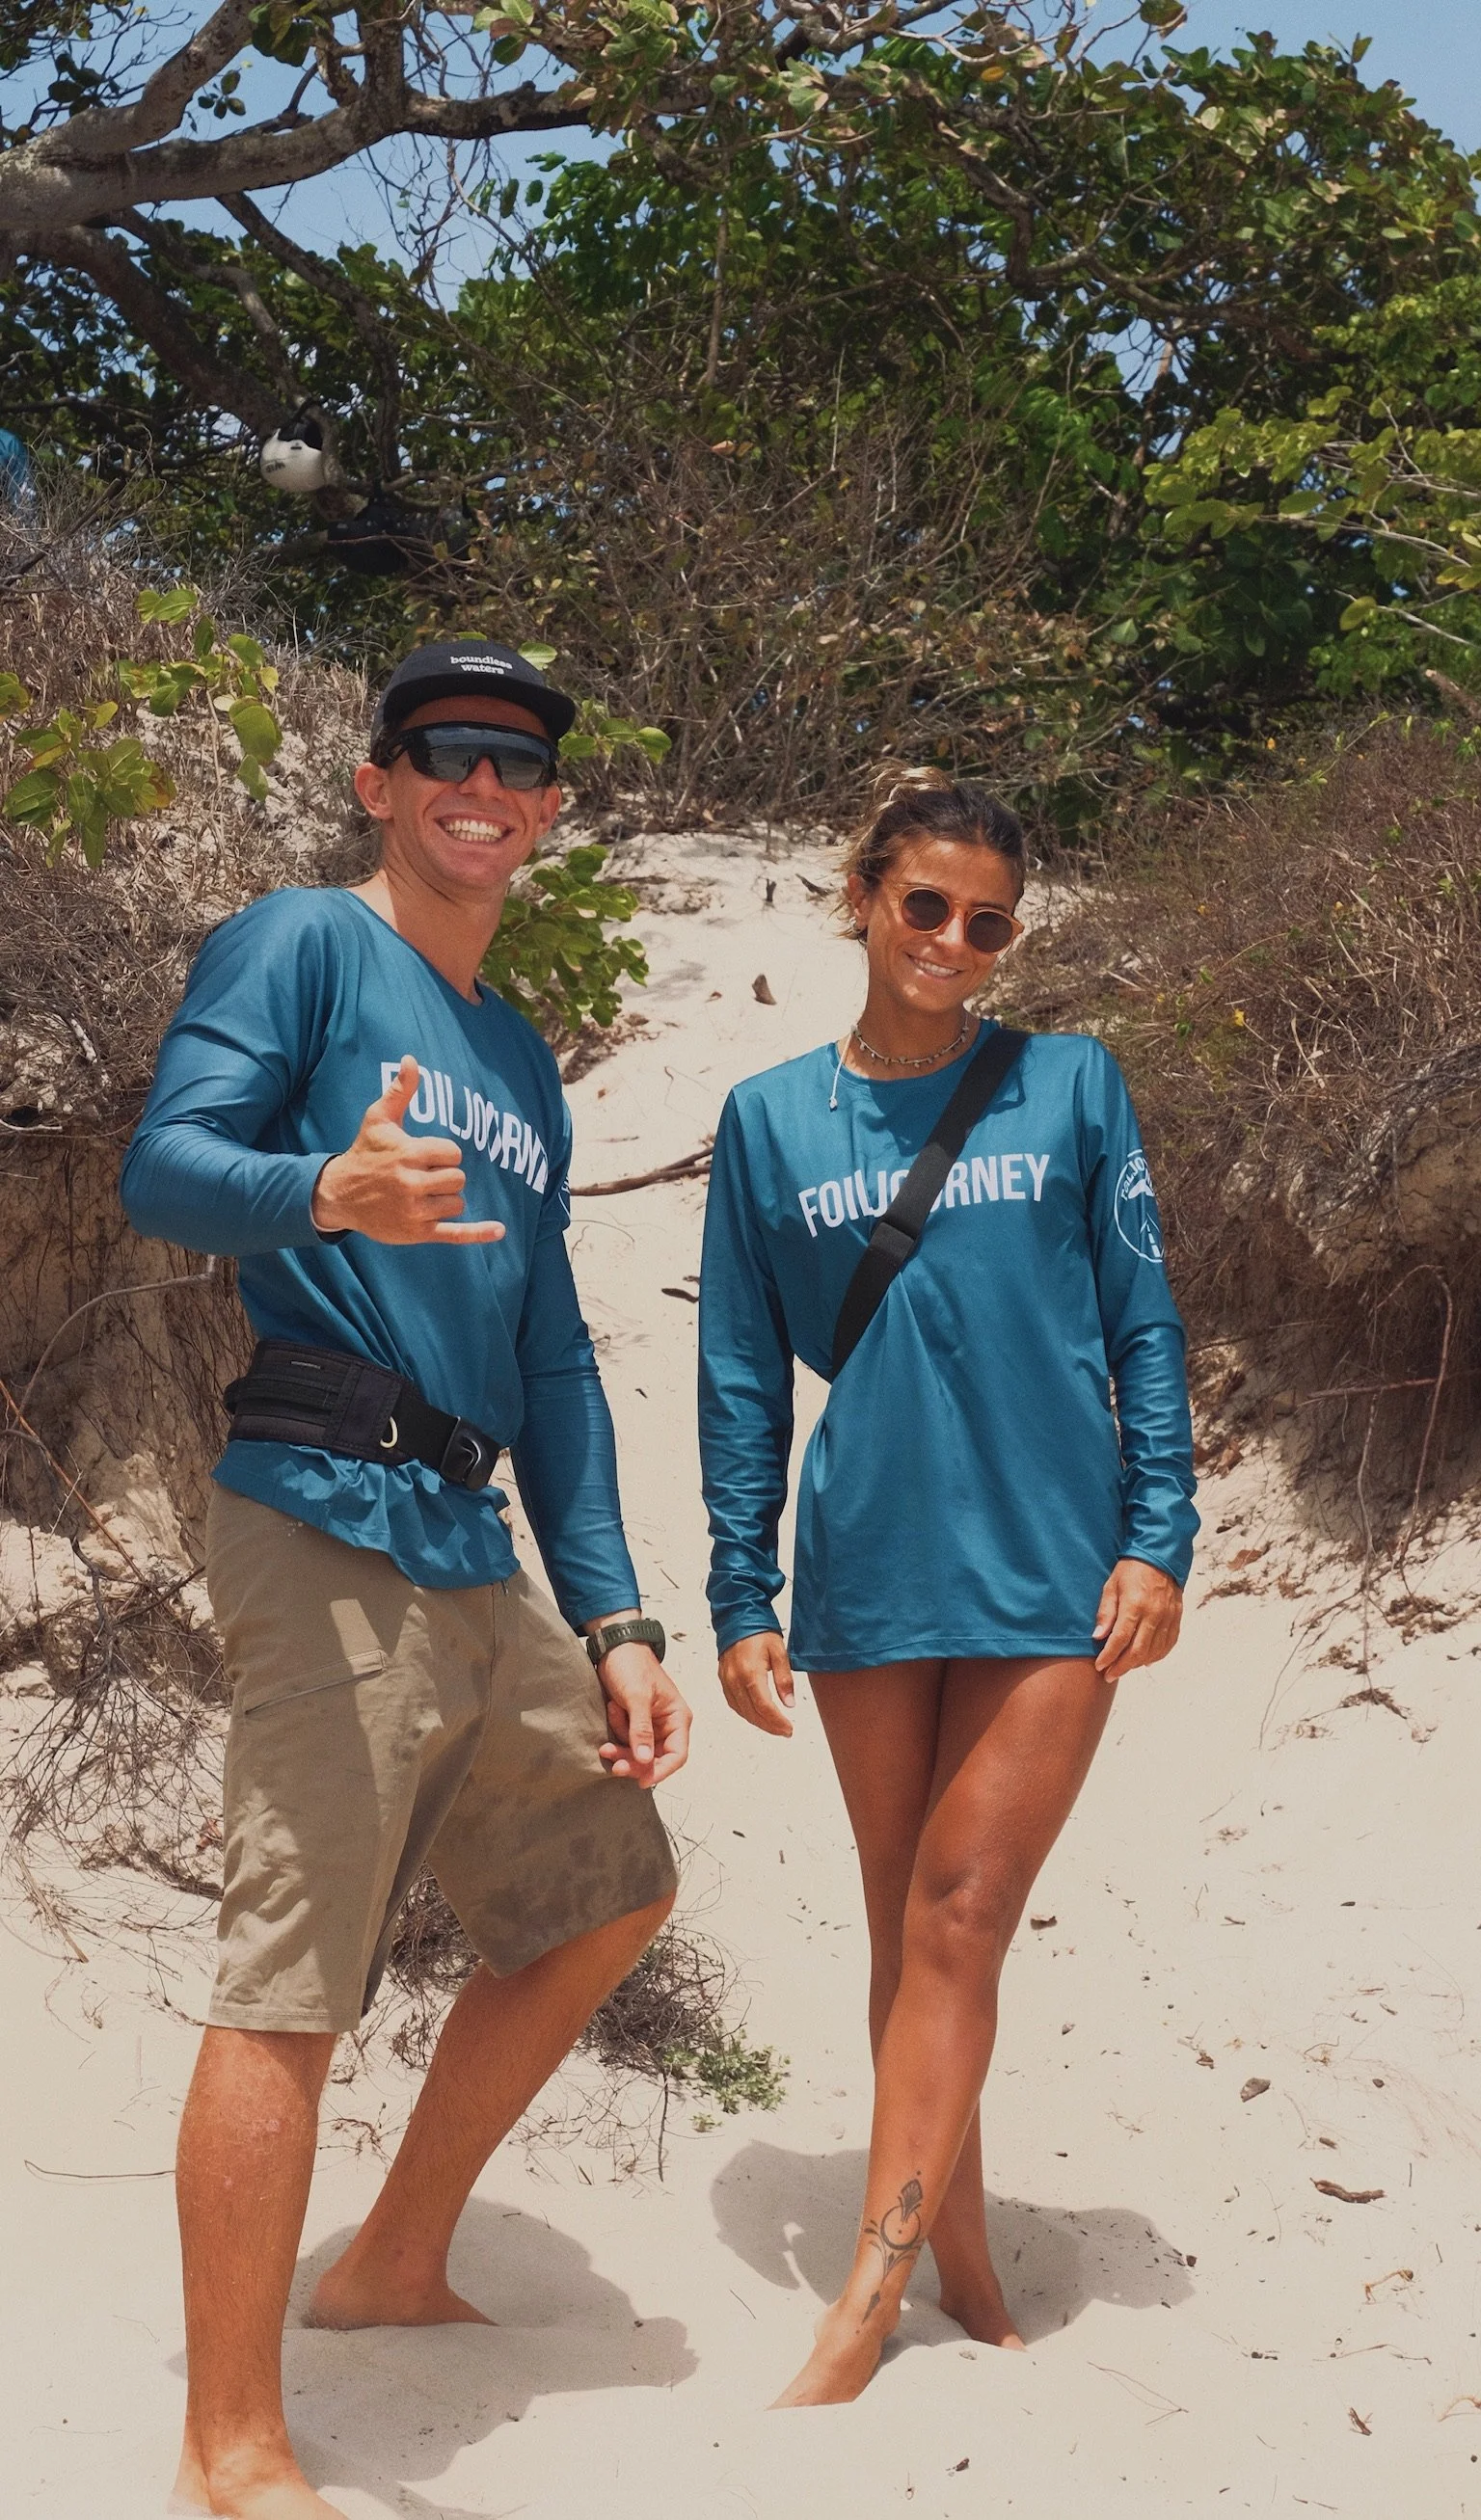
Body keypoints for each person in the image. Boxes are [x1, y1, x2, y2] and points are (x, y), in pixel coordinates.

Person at [121, 638, 688, 2520]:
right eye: (447, 748)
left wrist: (612, 1612)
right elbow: (170, 1166)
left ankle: (387, 2260)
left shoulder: (523, 1057)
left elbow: (550, 1359)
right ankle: (230, 2440)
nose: (485, 780)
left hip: (472, 1541)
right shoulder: (301, 942)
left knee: (609, 1886)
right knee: (292, 1983)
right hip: (318, 1506)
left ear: (544, 810)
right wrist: (322, 1195)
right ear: (381, 781)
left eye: (520, 763)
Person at [697, 766, 1197, 2407]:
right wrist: (739, 1586)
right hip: (868, 1559)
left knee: (964, 1908)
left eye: (989, 921)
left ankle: (875, 2277)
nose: (955, 941)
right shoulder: (771, 1119)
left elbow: (1141, 1321)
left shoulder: (1069, 1086)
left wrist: (1160, 1533)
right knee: (904, 1917)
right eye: (927, 906)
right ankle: (966, 2242)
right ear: (865, 895)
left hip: (1055, 1563)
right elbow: (739, 1378)